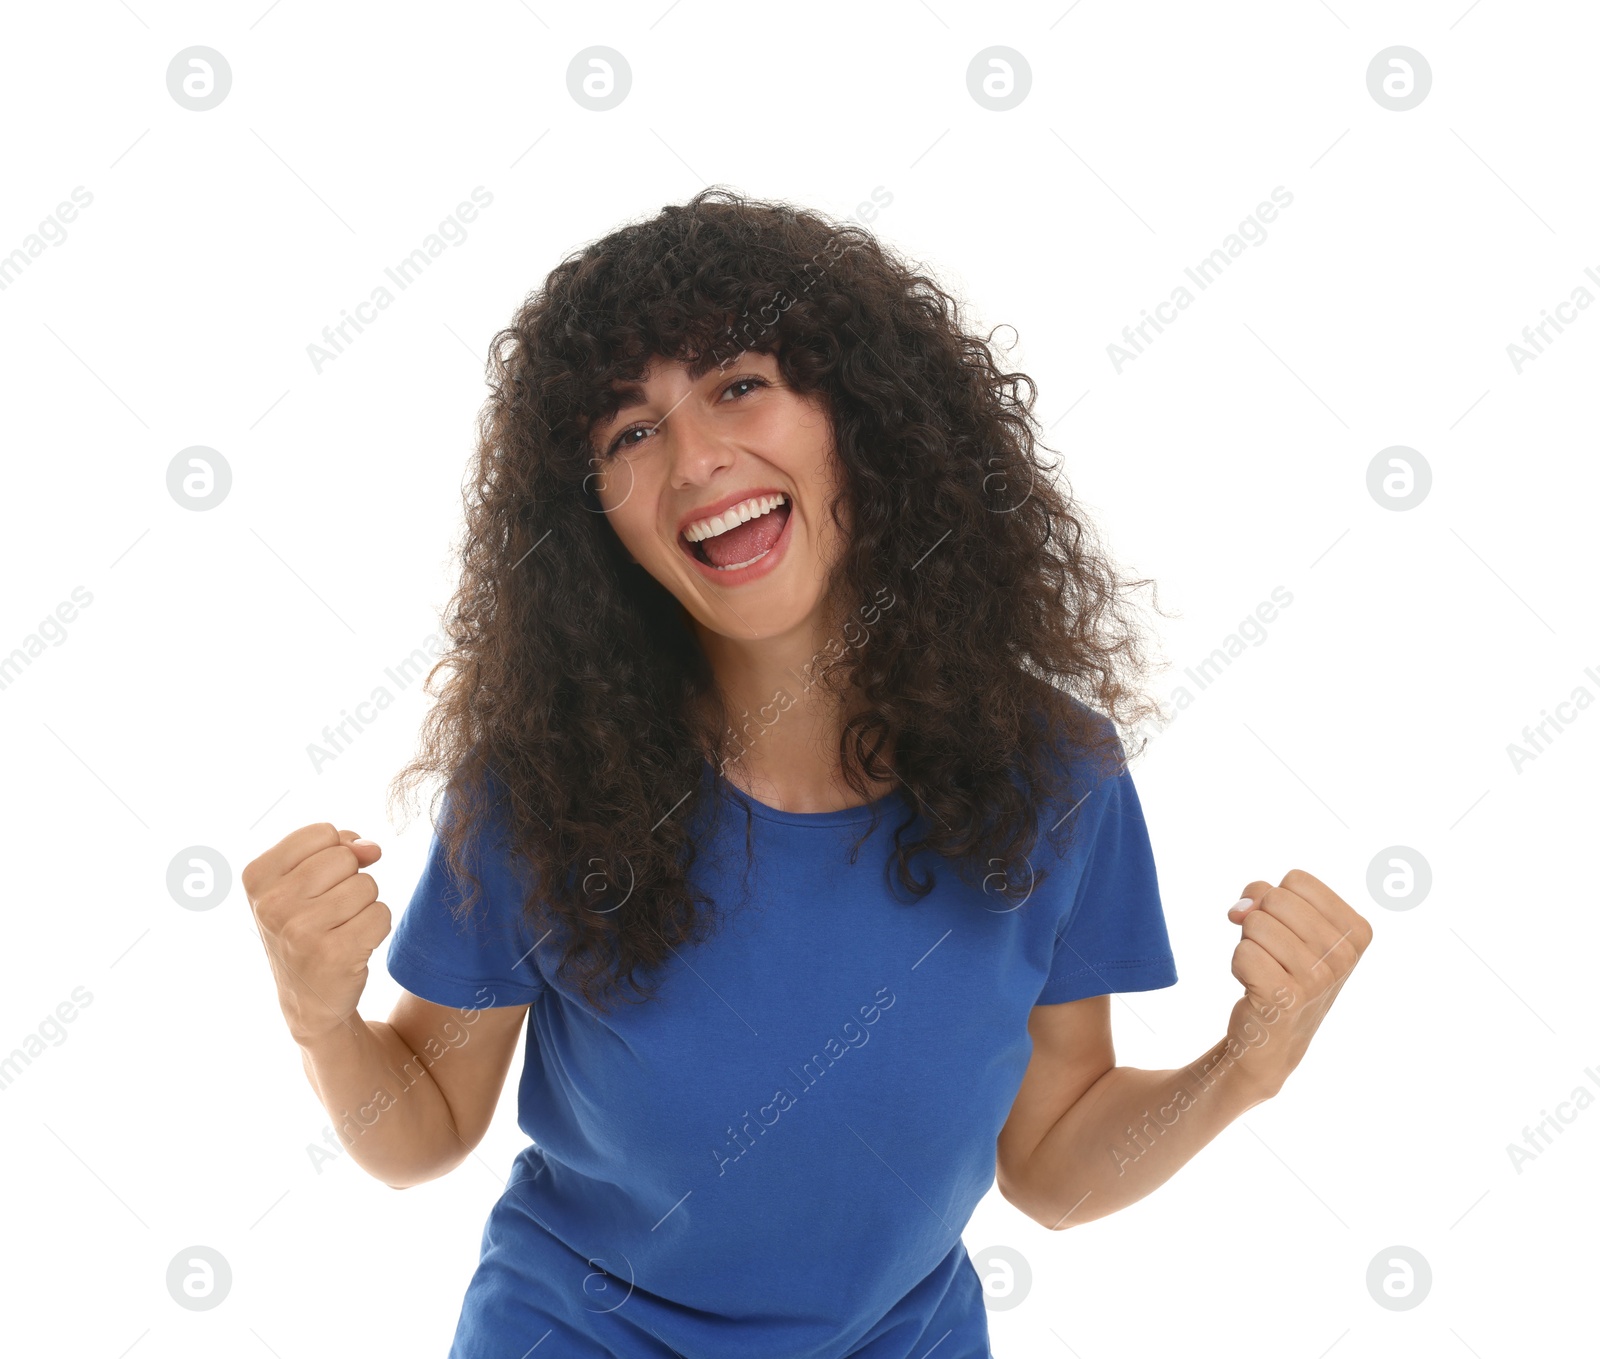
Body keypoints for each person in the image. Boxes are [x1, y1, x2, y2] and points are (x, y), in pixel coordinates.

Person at [244, 188, 1372, 1359]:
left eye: (739, 386)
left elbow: (1054, 1166)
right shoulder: (543, 782)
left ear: (864, 419)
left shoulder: (1054, 776)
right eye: (628, 432)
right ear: (595, 523)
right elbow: (421, 1129)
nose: (693, 459)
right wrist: (320, 1018)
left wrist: (1244, 1066)